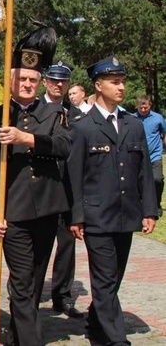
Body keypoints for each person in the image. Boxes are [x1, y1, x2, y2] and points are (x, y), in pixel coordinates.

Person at [0, 25, 71, 346]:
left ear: (40, 82)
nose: (27, 85)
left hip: (48, 210)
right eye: (22, 79)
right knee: (21, 282)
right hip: (12, 214)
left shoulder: (55, 112)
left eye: (33, 80)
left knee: (34, 280)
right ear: (11, 82)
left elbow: (64, 146)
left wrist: (26, 138)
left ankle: (17, 334)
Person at [67, 56, 159, 345]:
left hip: (127, 213)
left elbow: (143, 170)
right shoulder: (83, 126)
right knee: (105, 279)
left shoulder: (132, 124)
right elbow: (75, 174)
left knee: (114, 278)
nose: (121, 87)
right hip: (97, 216)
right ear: (98, 85)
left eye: (122, 81)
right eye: (114, 82)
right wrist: (77, 216)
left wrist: (150, 210)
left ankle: (96, 323)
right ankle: (117, 339)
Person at [38, 60, 85, 319]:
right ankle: (29, 292)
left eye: (63, 81)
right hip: (42, 188)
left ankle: (63, 296)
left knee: (67, 245)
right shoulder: (34, 109)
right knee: (38, 246)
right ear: (45, 82)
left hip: (67, 189)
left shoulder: (76, 114)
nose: (58, 85)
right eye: (54, 80)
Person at [133, 94, 166, 217]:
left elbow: (164, 132)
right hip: (139, 155)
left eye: (145, 107)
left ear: (149, 105)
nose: (143, 110)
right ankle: (142, 205)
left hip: (155, 155)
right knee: (139, 181)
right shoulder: (133, 119)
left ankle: (156, 204)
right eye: (141, 108)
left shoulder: (158, 118)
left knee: (157, 179)